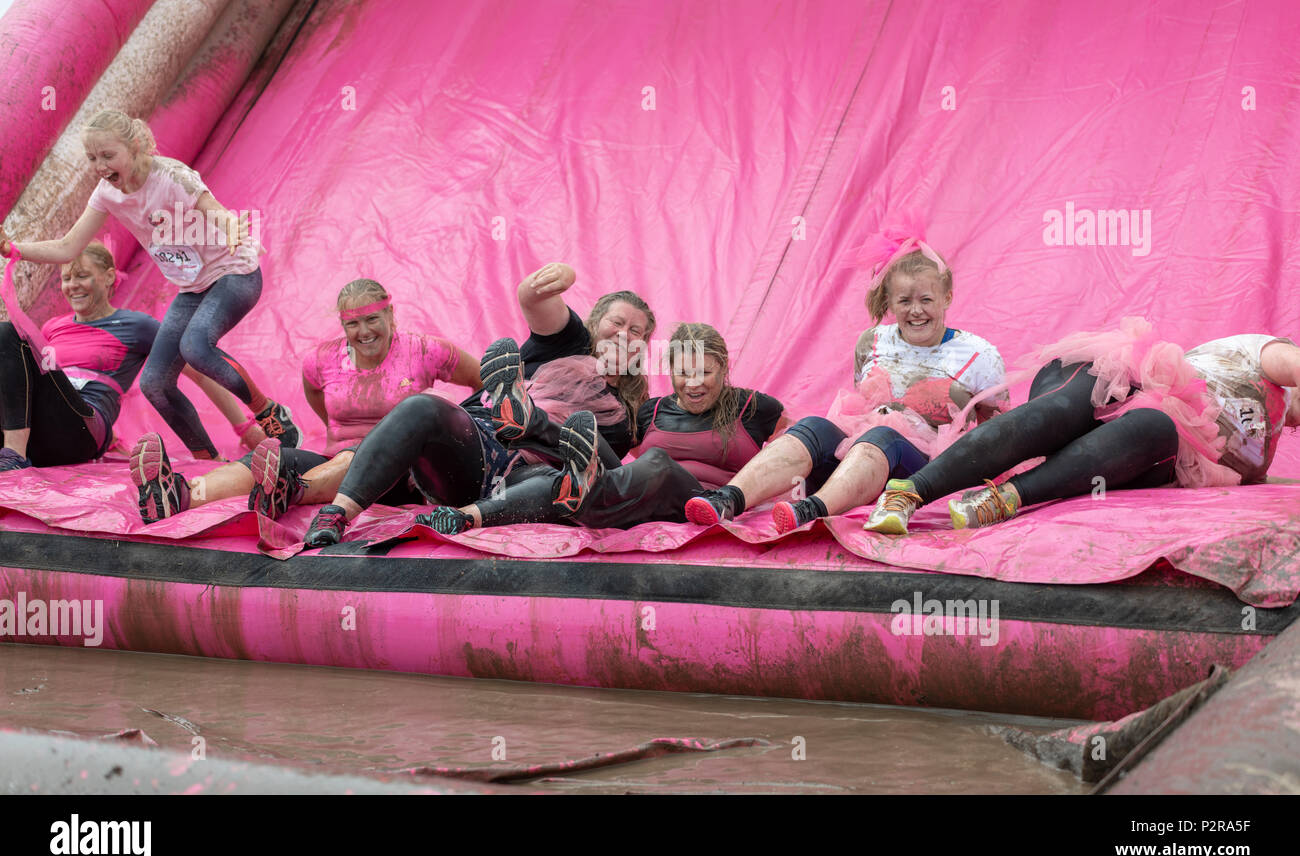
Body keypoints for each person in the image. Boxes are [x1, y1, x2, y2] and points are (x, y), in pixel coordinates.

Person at [2, 109, 300, 464]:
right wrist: (13, 249)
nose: (99, 166)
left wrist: (233, 228)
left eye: (108, 156)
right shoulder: (107, 194)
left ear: (136, 147)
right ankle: (207, 460)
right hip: (192, 288)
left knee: (195, 347)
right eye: (92, 158)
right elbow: (69, 246)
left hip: (233, 273)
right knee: (155, 383)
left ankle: (269, 412)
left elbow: (214, 209)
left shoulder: (171, 176)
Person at [301, 262, 657, 546]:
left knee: (563, 482)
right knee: (423, 407)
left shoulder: (626, 415)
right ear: (597, 323)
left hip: (523, 483)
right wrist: (562, 276)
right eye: (617, 322)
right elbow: (532, 296)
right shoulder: (569, 341)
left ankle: (466, 516)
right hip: (473, 451)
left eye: (637, 331)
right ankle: (335, 514)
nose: (625, 334)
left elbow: (618, 472)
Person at [683, 232, 1005, 533]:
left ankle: (813, 509)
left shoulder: (978, 354)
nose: (916, 310)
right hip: (858, 462)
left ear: (947, 297)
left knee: (883, 435)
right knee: (814, 426)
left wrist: (957, 399)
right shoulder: (873, 342)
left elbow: (1000, 433)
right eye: (904, 300)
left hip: (921, 474)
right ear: (890, 302)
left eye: (926, 299)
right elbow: (864, 400)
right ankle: (728, 499)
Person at [862, 319, 1300, 534]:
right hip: (1117, 378)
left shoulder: (1267, 449)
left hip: (1137, 442)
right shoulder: (1264, 354)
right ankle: (910, 491)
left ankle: (1005, 498)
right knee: (1060, 411)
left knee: (1154, 426)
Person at [127, 278, 481, 522]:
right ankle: (179, 494)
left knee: (359, 454)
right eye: (353, 324)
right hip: (335, 461)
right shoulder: (322, 360)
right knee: (274, 458)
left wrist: (463, 439)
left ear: (390, 315)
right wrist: (335, 429)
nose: (364, 331)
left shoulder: (424, 351)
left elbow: (481, 380)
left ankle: (291, 489)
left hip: (402, 475)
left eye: (372, 319)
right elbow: (315, 392)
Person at [419, 322, 789, 534]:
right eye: (683, 372)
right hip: (636, 498)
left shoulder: (756, 407)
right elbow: (626, 463)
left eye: (705, 373)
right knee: (589, 435)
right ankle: (529, 423)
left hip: (698, 503)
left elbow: (792, 454)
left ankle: (585, 486)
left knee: (656, 461)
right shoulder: (650, 411)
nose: (693, 384)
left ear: (724, 370)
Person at [0, 243, 252, 470]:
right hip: (42, 432)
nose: (72, 285)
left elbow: (200, 371)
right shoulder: (53, 327)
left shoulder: (136, 326)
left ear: (109, 276)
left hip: (82, 430)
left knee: (7, 332)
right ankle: (14, 452)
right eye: (66, 278)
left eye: (82, 275)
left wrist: (245, 428)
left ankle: (14, 458)